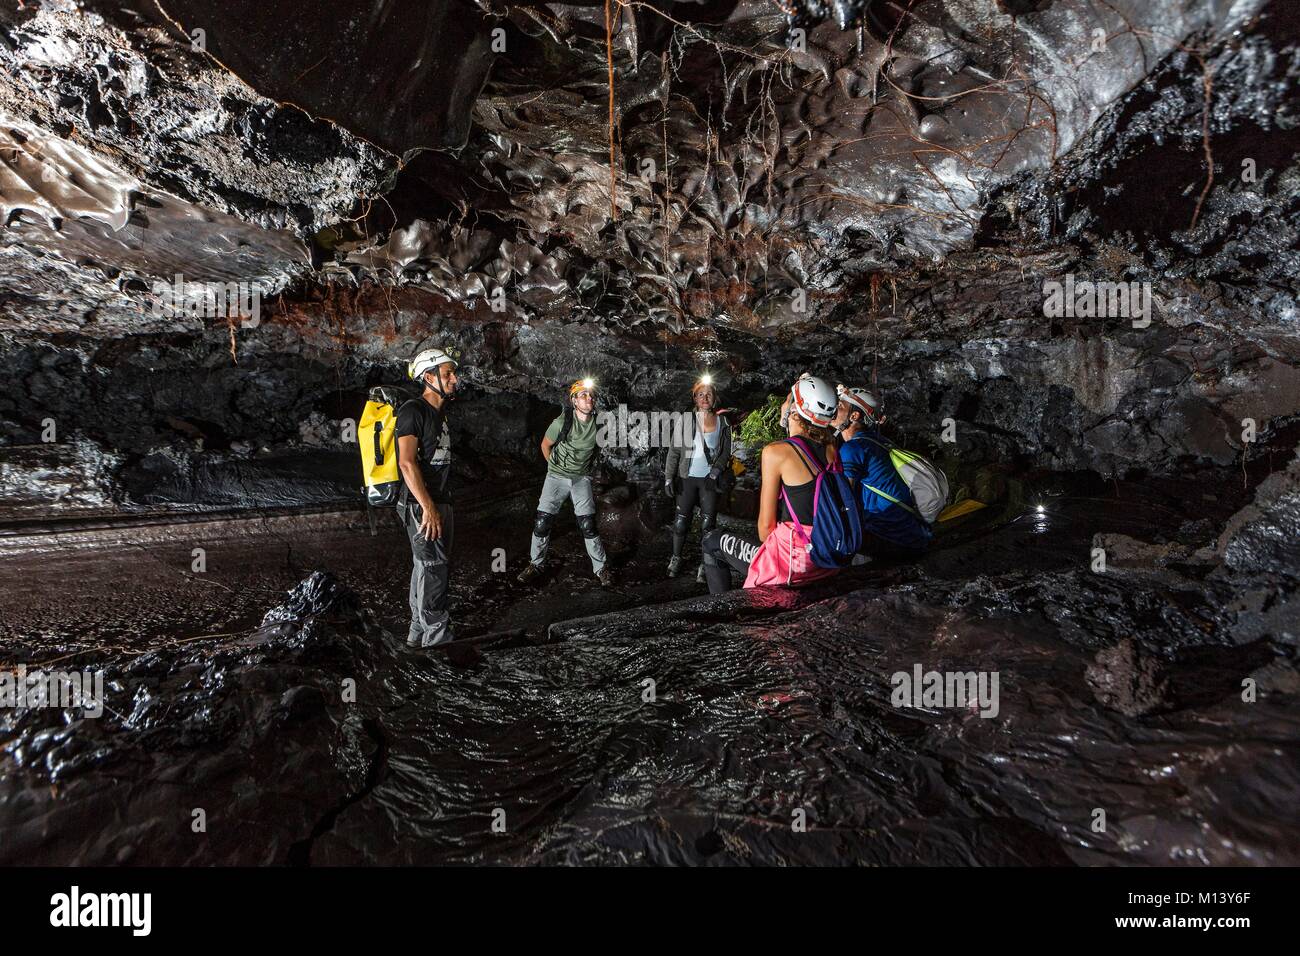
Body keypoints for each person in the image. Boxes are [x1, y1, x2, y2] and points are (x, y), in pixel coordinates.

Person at [700, 374, 842, 594]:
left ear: (796, 409)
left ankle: (723, 609)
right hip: (827, 558)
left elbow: (765, 532)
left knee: (712, 541)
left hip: (795, 564)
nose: (783, 405)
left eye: (788, 399)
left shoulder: (777, 453)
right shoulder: (833, 449)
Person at [517, 378, 613, 587]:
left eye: (591, 395)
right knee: (542, 522)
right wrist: (554, 466)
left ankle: (601, 568)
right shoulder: (562, 422)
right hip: (556, 477)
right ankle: (536, 564)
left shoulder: (599, 424)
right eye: (583, 395)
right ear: (574, 401)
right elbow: (545, 444)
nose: (589, 398)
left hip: (581, 478)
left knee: (588, 524)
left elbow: (598, 449)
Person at [395, 347, 459, 647]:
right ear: (428, 377)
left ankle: (417, 635)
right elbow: (406, 462)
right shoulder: (413, 410)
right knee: (433, 567)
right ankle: (438, 641)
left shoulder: (440, 414)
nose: (454, 379)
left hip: (438, 502)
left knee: (426, 565)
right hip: (421, 504)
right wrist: (428, 508)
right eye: (448, 374)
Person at [833, 384, 932, 557]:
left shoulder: (853, 448)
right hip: (914, 534)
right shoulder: (880, 442)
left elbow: (843, 500)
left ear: (854, 415)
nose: (834, 408)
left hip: (889, 538)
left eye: (841, 406)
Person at [663, 374, 733, 581]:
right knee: (680, 522)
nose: (705, 398)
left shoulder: (723, 422)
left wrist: (715, 472)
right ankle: (676, 557)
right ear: (695, 398)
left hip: (708, 481)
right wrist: (668, 477)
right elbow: (674, 451)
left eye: (708, 394)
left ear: (715, 398)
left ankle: (706, 563)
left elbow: (725, 453)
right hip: (687, 478)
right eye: (700, 394)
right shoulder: (686, 421)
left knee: (707, 525)